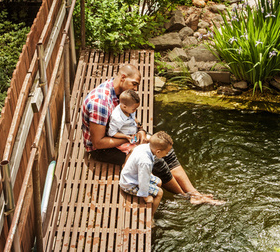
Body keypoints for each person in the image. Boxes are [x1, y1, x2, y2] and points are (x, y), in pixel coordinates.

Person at [81, 63, 222, 204]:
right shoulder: (99, 103)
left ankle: (194, 193)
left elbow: (129, 115)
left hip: (122, 135)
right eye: (134, 84)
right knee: (155, 160)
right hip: (103, 149)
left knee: (164, 148)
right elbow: (98, 143)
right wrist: (130, 140)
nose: (136, 89)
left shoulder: (120, 92)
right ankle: (186, 197)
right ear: (123, 77)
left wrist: (141, 130)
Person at [119, 131, 173, 214]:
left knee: (159, 182)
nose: (166, 155)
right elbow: (143, 181)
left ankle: (154, 202)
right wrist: (145, 196)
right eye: (166, 153)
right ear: (158, 151)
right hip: (129, 184)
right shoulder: (145, 162)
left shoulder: (144, 147)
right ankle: (151, 216)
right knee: (159, 192)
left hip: (131, 175)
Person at [107, 89, 143, 154]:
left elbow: (132, 115)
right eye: (134, 109)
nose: (135, 111)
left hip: (132, 134)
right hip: (123, 140)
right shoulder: (117, 118)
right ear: (124, 106)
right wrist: (125, 137)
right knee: (136, 151)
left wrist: (137, 122)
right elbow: (112, 133)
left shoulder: (128, 109)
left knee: (147, 140)